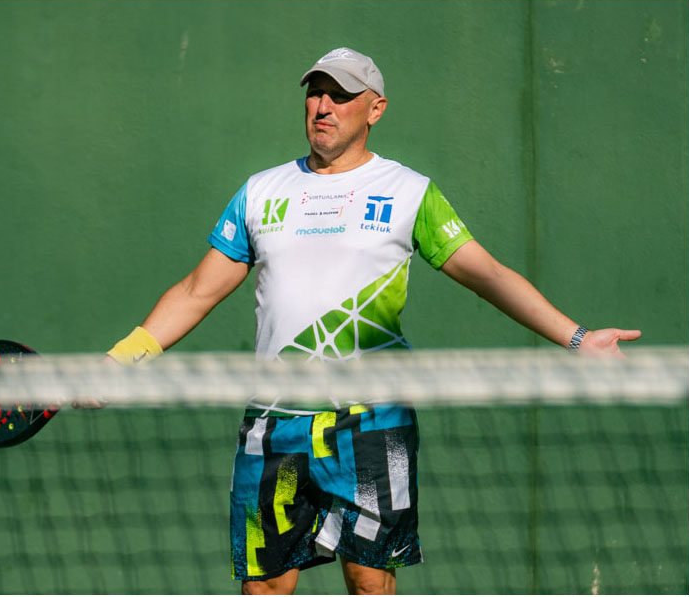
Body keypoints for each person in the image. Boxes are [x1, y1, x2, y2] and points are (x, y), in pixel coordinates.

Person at [104, 47, 641, 595]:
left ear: (375, 109)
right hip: (274, 424)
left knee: (368, 582)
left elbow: (490, 276)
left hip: (372, 425)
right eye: (316, 93)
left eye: (341, 96)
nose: (323, 106)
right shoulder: (260, 192)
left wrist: (577, 338)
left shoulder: (408, 192)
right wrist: (120, 361)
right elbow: (196, 292)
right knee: (263, 588)